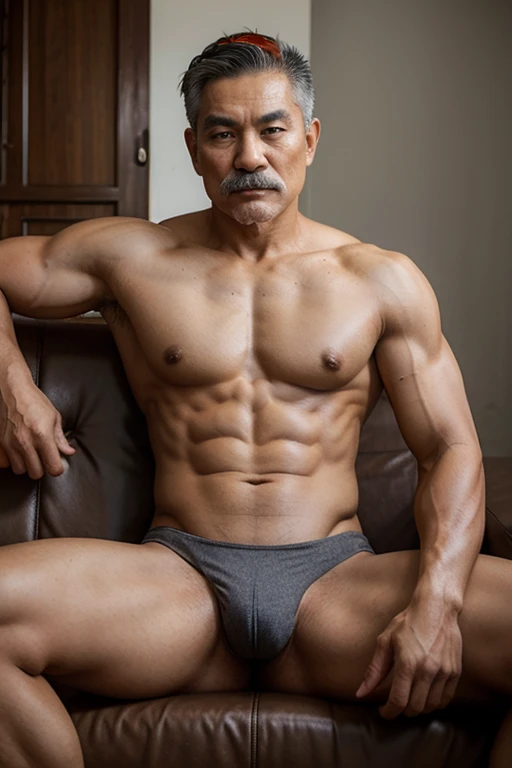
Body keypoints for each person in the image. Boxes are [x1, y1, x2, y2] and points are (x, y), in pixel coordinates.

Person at [0, 31, 510, 768]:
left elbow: (451, 449)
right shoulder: (131, 258)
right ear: (192, 145)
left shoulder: (380, 280)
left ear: (308, 137)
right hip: (177, 585)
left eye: (272, 130)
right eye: (222, 134)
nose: (249, 158)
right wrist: (13, 388)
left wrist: (439, 601)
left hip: (337, 587)